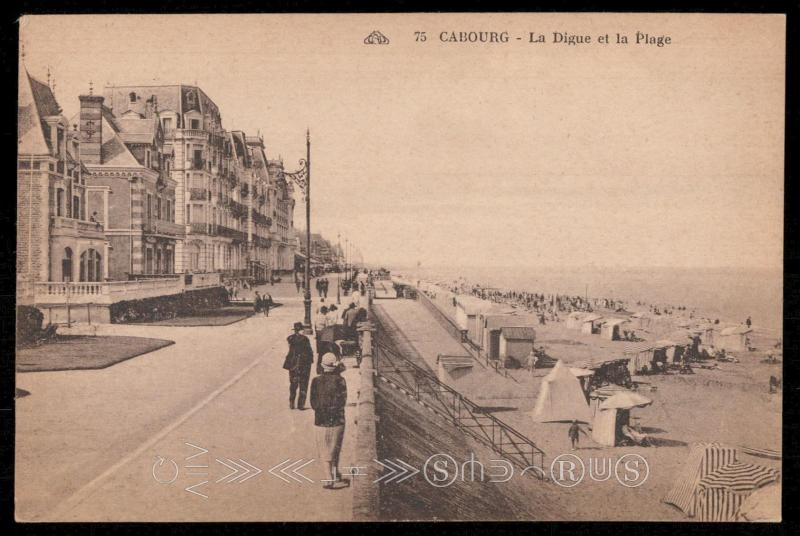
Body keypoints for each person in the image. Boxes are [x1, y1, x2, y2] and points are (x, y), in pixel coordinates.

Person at [310, 353, 349, 489]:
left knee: (323, 449)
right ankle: (334, 474)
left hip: (320, 419)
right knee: (335, 448)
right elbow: (343, 400)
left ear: (322, 366)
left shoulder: (315, 381)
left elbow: (313, 402)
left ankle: (328, 478)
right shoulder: (341, 380)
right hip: (337, 419)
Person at [284, 322, 314, 410]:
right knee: (303, 384)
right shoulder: (305, 339)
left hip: (293, 363)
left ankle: (291, 402)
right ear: (301, 329)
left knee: (293, 384)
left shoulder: (290, 338)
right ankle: (301, 404)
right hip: (303, 363)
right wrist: (310, 360)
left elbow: (291, 350)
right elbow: (309, 351)